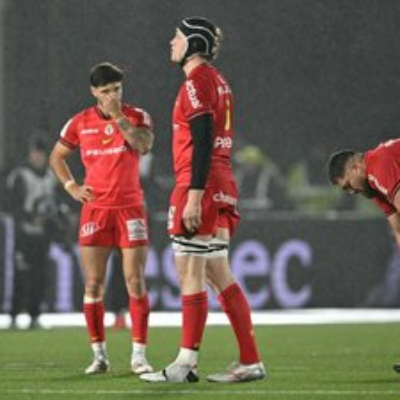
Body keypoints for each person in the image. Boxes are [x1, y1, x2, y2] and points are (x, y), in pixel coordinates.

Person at [140, 17, 266, 384]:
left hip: (201, 184)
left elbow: (204, 135)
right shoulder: (219, 80)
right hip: (222, 181)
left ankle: (185, 363)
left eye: (178, 37)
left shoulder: (196, 82)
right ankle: (250, 360)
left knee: (189, 271)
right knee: (216, 271)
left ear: (194, 44)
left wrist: (194, 195)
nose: (171, 42)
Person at [49, 62, 154, 375]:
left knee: (135, 280)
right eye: (106, 91)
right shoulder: (79, 122)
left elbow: (143, 145)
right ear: (94, 92)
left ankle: (139, 356)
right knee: (94, 283)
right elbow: (57, 156)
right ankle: (99, 356)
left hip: (130, 208)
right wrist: (72, 187)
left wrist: (119, 117)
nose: (112, 96)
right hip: (96, 210)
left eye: (117, 89)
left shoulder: (137, 116)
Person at [327, 138, 400, 374]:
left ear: (355, 167)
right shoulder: (373, 186)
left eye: (348, 185)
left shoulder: (379, 165)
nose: (352, 192)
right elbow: (397, 227)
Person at [6, 136, 59, 329]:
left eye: (41, 153)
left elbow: (53, 203)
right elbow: (13, 205)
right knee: (21, 275)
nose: (38, 157)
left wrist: (50, 222)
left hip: (42, 236)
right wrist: (29, 219)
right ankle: (14, 315)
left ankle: (34, 314)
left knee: (40, 276)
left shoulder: (50, 177)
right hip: (23, 235)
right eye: (35, 153)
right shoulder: (20, 175)